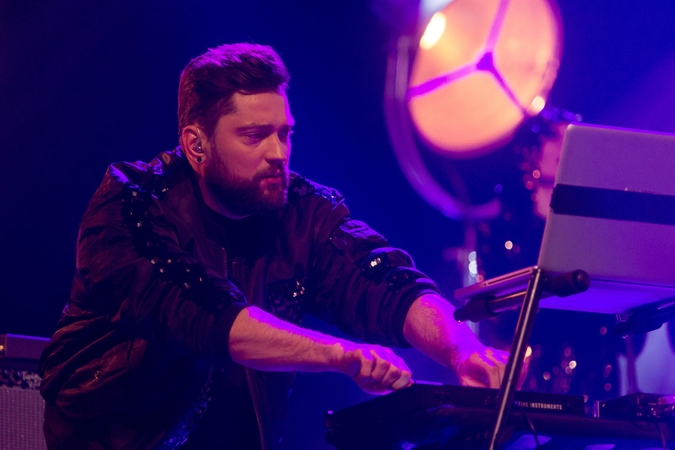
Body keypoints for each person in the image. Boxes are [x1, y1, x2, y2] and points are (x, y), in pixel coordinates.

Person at [39, 43, 515, 450]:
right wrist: (341, 355)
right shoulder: (132, 205)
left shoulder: (303, 212)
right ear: (196, 145)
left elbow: (385, 282)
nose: (278, 153)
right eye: (254, 136)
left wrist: (462, 351)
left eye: (285, 134)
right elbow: (206, 315)